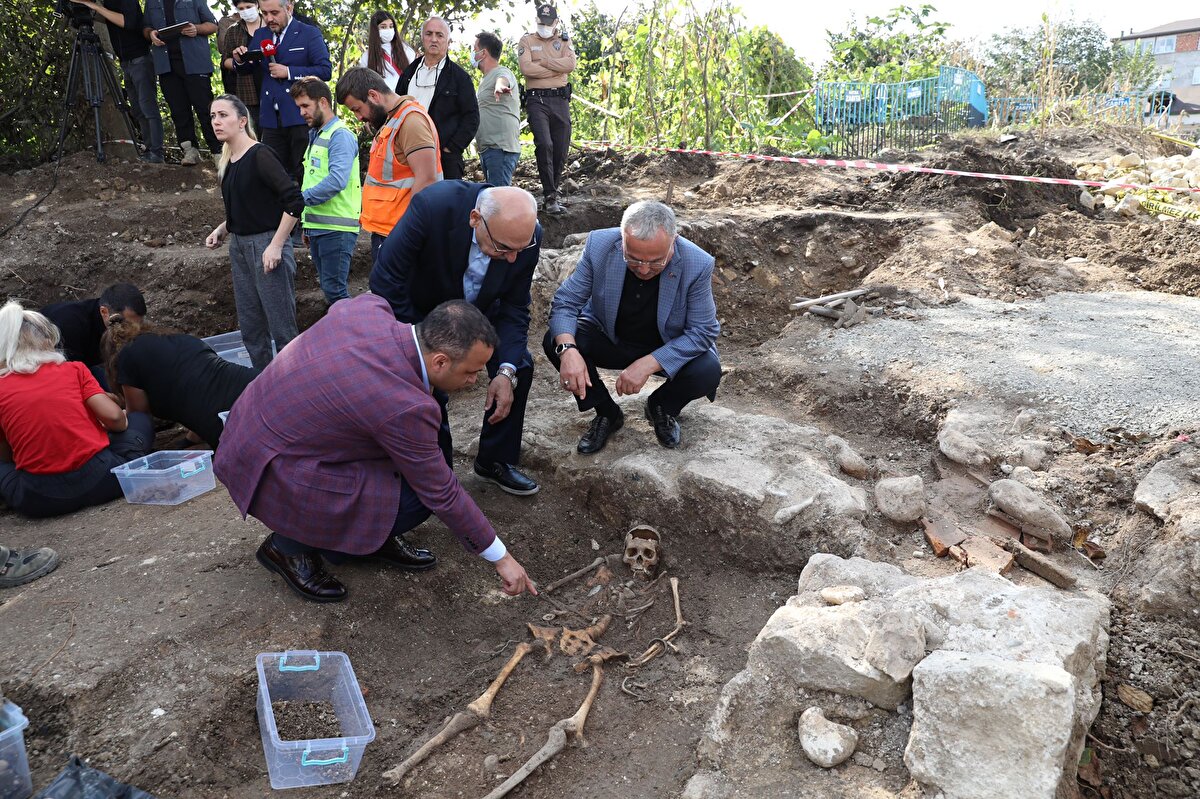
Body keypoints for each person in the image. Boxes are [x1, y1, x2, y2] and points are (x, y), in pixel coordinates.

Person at [214, 296, 538, 603]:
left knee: (407, 468)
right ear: (440, 361)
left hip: (249, 428)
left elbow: (342, 313)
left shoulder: (369, 309)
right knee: (415, 498)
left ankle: (365, 538)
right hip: (268, 466)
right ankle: (287, 547)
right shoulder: (405, 405)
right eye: (471, 371)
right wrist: (502, 558)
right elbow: (441, 492)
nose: (475, 380)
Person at [372, 182, 541, 496]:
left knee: (520, 365)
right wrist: (424, 346)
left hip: (480, 312)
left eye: (520, 250)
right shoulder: (432, 207)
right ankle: (437, 471)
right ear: (475, 219)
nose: (513, 258)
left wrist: (506, 372)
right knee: (429, 382)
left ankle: (493, 460)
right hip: (423, 312)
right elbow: (386, 281)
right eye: (504, 248)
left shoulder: (523, 237)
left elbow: (515, 306)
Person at [544, 201, 721, 452]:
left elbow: (703, 331)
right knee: (557, 340)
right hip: (610, 338)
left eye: (656, 262)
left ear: (673, 241)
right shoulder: (600, 245)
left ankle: (661, 406)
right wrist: (568, 350)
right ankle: (606, 412)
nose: (644, 270)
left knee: (707, 370)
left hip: (665, 345)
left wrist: (648, 363)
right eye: (633, 259)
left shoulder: (697, 263)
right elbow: (566, 302)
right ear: (622, 240)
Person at [0, 302, 154, 518]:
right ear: (47, 339)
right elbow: (115, 419)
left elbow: (5, 452)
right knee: (139, 419)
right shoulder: (73, 370)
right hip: (104, 481)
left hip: (39, 499)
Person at [205, 94, 303, 370]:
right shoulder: (229, 161)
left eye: (223, 115)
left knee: (282, 328)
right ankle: (263, 382)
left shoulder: (260, 154)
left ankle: (294, 381)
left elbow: (294, 201)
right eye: (213, 116)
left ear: (242, 121)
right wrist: (223, 228)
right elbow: (251, 204)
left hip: (267, 245)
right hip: (239, 247)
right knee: (251, 327)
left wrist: (276, 245)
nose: (216, 121)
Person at [335, 66, 441, 264]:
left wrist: (408, 234)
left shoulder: (411, 121)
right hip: (389, 232)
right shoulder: (392, 120)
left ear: (373, 96)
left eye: (357, 109)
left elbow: (427, 179)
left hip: (401, 234)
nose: (359, 117)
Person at [101, 318, 257, 450]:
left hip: (232, 425)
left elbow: (138, 414)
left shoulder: (127, 357)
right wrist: (190, 440)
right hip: (256, 386)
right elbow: (202, 391)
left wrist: (115, 412)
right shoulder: (178, 339)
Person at [231, 0, 332, 188]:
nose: (269, 18)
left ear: (289, 8)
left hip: (300, 117)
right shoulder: (261, 35)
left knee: (303, 172)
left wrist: (289, 72)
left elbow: (325, 71)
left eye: (274, 13)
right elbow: (248, 68)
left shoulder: (309, 33)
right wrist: (240, 60)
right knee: (273, 174)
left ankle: (304, 207)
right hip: (270, 118)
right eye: (265, 13)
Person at [291, 77, 360, 305]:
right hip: (320, 227)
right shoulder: (317, 135)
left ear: (322, 102)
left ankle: (355, 328)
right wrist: (307, 224)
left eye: (305, 106)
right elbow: (314, 179)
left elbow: (336, 180)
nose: (301, 112)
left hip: (336, 228)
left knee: (335, 291)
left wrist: (300, 201)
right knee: (330, 290)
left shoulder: (340, 135)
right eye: (299, 107)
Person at [70, 0, 165, 163]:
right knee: (138, 110)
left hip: (140, 59)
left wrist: (96, 7)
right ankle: (150, 151)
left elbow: (126, 21)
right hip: (126, 62)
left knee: (148, 107)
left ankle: (157, 152)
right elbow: (108, 18)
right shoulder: (108, 3)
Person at [397, 16, 479, 181]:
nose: (434, 39)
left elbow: (472, 117)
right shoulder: (409, 73)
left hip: (445, 159)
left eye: (439, 35)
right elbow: (396, 107)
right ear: (422, 38)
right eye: (429, 34)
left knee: (446, 198)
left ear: (448, 41)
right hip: (408, 156)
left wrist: (451, 148)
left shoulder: (459, 77)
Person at [142, 0, 222, 165]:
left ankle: (218, 151)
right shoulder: (151, 2)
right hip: (167, 65)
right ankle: (190, 151)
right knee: (178, 111)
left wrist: (196, 29)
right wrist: (150, 34)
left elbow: (213, 25)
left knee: (205, 108)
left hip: (195, 63)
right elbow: (146, 27)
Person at [518, 4, 576, 214]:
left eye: (548, 23)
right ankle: (550, 195)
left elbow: (570, 65)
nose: (545, 26)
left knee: (560, 146)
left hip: (560, 99)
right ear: (536, 20)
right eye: (541, 22)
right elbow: (526, 68)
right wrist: (556, 68)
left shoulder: (564, 40)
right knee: (544, 144)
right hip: (537, 100)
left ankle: (554, 191)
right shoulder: (527, 40)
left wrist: (543, 62)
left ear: (556, 22)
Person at [41, 283, 147, 387]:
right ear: (104, 312)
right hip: (48, 370)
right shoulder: (71, 325)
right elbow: (70, 376)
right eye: (126, 324)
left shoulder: (112, 320)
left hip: (84, 363)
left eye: (138, 323)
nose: (132, 329)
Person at [472, 31, 520, 187]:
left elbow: (503, 80)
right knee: (494, 193)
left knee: (499, 195)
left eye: (474, 49)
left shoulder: (501, 72)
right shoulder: (485, 79)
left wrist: (500, 86)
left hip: (500, 148)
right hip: (490, 148)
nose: (472, 54)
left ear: (483, 53)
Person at [218, 0, 264, 124]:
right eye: (241, 8)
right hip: (247, 90)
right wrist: (237, 61)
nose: (246, 11)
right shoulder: (233, 31)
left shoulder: (271, 25)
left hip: (271, 85)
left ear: (257, 5)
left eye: (249, 7)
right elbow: (225, 60)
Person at [359, 10, 414, 91]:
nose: (388, 30)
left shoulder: (406, 50)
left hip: (405, 95)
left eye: (391, 26)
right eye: (383, 27)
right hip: (382, 97)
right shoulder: (367, 56)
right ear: (375, 29)